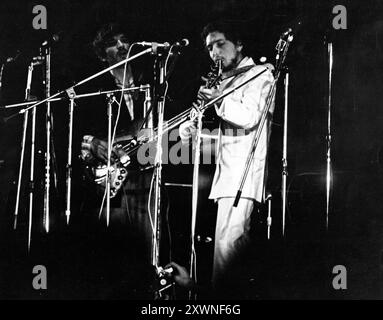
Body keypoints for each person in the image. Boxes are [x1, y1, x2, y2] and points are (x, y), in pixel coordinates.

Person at [179, 20, 275, 297]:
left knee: (227, 246)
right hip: (224, 177)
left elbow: (248, 118)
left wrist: (219, 98)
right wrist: (192, 127)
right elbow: (224, 135)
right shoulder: (226, 81)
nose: (214, 53)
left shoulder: (260, 75)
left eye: (220, 44)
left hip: (244, 176)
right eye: (209, 48)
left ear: (239, 44)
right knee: (222, 248)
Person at [80, 22, 154, 265]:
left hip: (147, 176)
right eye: (113, 43)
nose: (122, 46)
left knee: (147, 245)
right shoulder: (95, 87)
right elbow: (81, 134)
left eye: (124, 39)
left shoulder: (151, 81)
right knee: (114, 252)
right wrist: (92, 144)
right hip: (109, 181)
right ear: (102, 54)